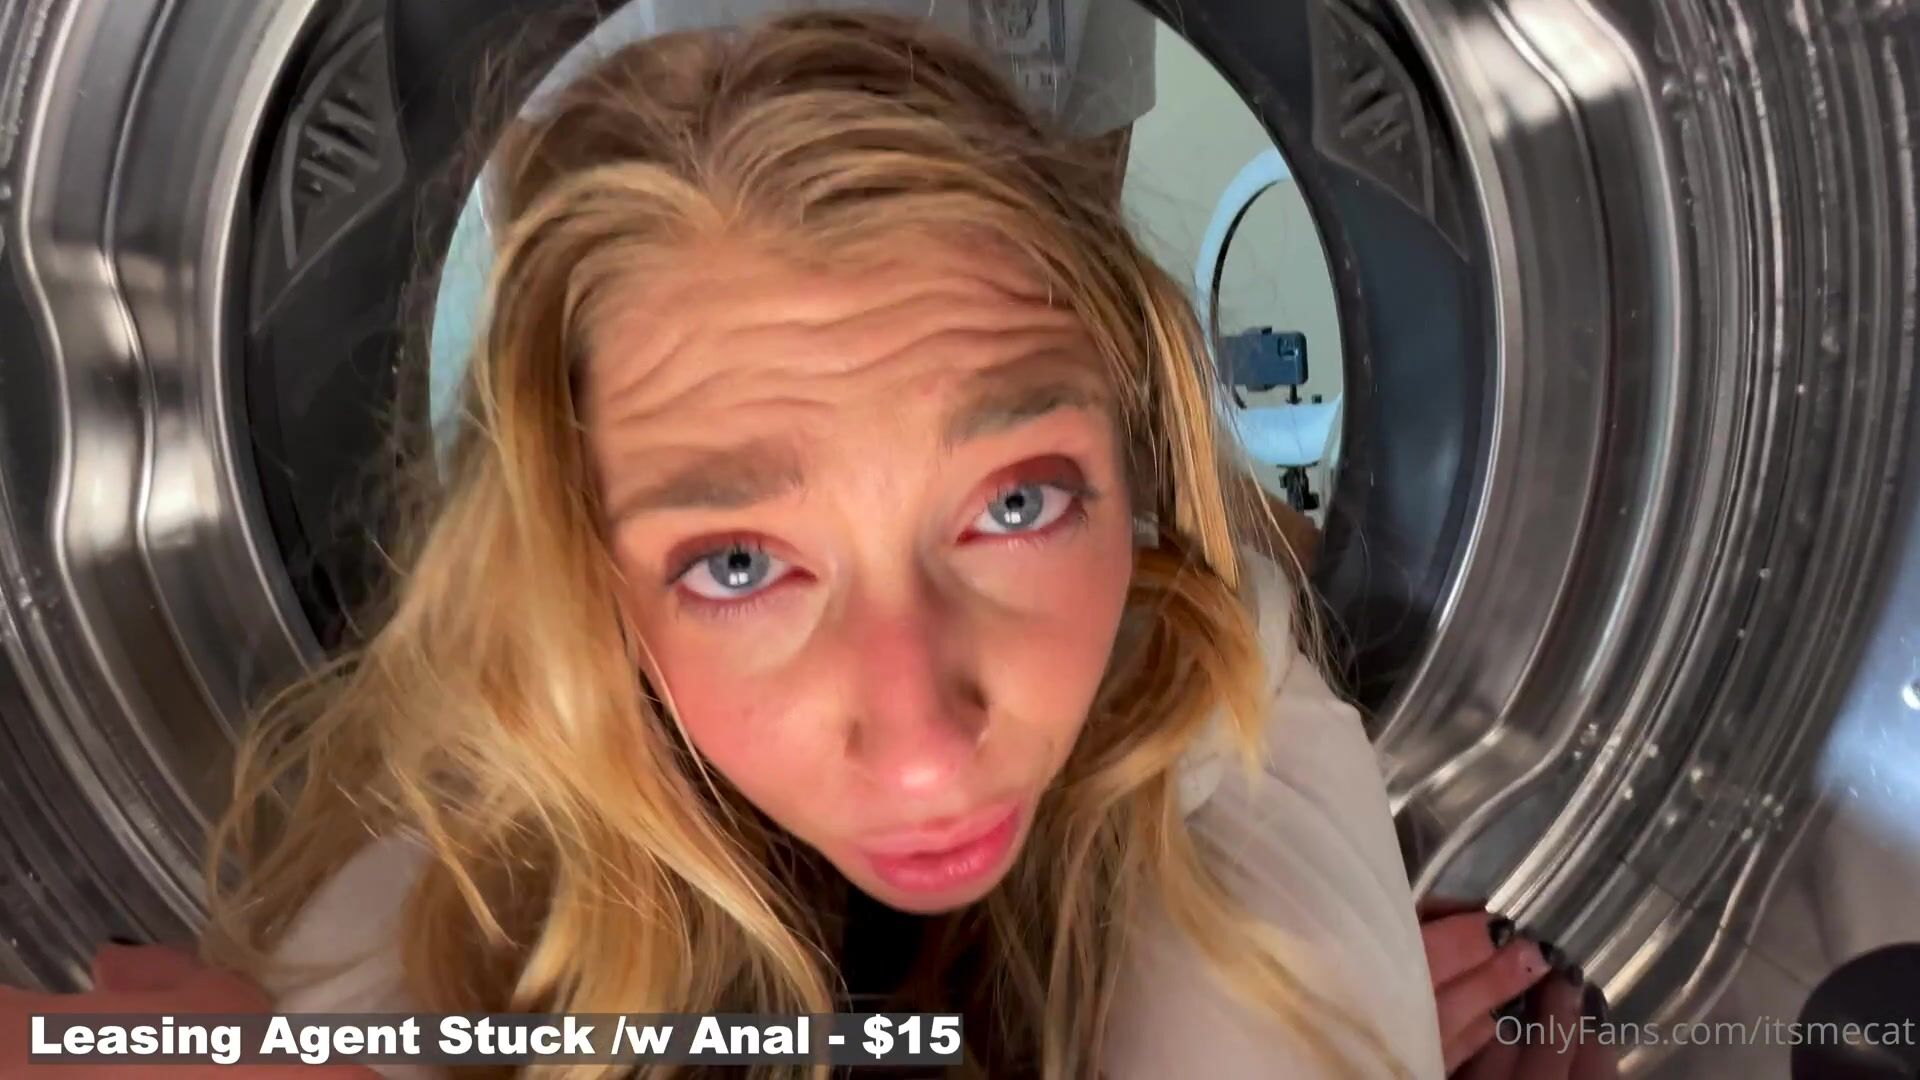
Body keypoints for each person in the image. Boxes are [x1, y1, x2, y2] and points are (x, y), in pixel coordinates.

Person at [0, 12, 1614, 1080]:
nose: (922, 747)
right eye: (737, 563)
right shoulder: (453, 859)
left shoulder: (1197, 647)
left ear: (1135, 460)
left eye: (1016, 502)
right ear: (581, 581)